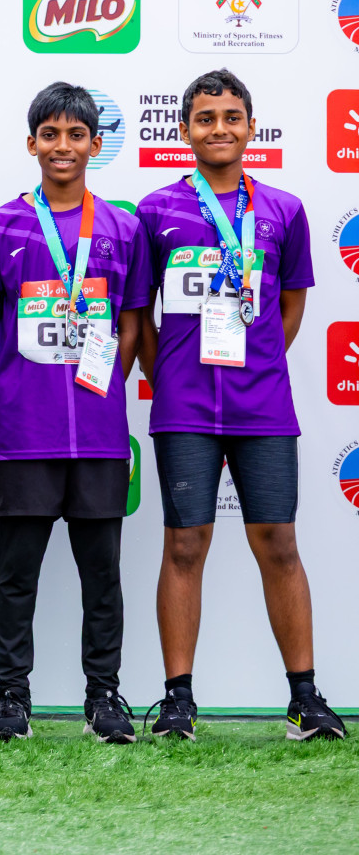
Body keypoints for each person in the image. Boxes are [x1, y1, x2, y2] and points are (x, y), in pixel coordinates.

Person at [137, 69, 345, 741]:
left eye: (232, 116)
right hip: (184, 408)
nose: (219, 128)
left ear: (251, 127)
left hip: (263, 409)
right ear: (184, 130)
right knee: (184, 544)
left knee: (279, 543)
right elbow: (141, 316)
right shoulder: (156, 211)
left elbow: (289, 309)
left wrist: (253, 362)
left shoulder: (283, 210)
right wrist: (168, 374)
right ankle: (177, 702)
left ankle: (305, 701)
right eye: (205, 117)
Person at [0, 82, 150, 744]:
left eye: (76, 135)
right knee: (17, 572)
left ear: (96, 144)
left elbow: (132, 324)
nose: (63, 146)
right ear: (31, 143)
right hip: (25, 432)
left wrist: (97, 382)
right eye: (51, 134)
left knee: (101, 573)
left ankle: (104, 697)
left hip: (99, 433)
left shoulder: (124, 227)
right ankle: (12, 700)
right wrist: (22, 380)